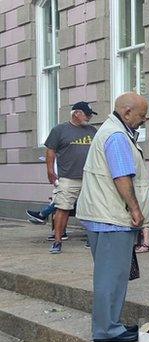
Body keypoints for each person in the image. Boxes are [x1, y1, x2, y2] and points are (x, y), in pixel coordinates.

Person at [75, 93, 149, 342]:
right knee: (111, 277)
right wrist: (136, 210)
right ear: (127, 112)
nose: (143, 121)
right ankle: (107, 328)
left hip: (103, 215)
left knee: (112, 275)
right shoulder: (117, 136)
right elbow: (122, 177)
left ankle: (111, 323)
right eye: (141, 116)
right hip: (111, 218)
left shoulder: (112, 130)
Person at [30, 101, 98, 254]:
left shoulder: (92, 130)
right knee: (62, 208)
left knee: (93, 209)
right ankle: (57, 241)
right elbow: (50, 151)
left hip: (89, 177)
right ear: (76, 113)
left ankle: (92, 239)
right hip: (68, 177)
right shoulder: (59, 130)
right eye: (87, 114)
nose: (89, 117)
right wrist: (50, 171)